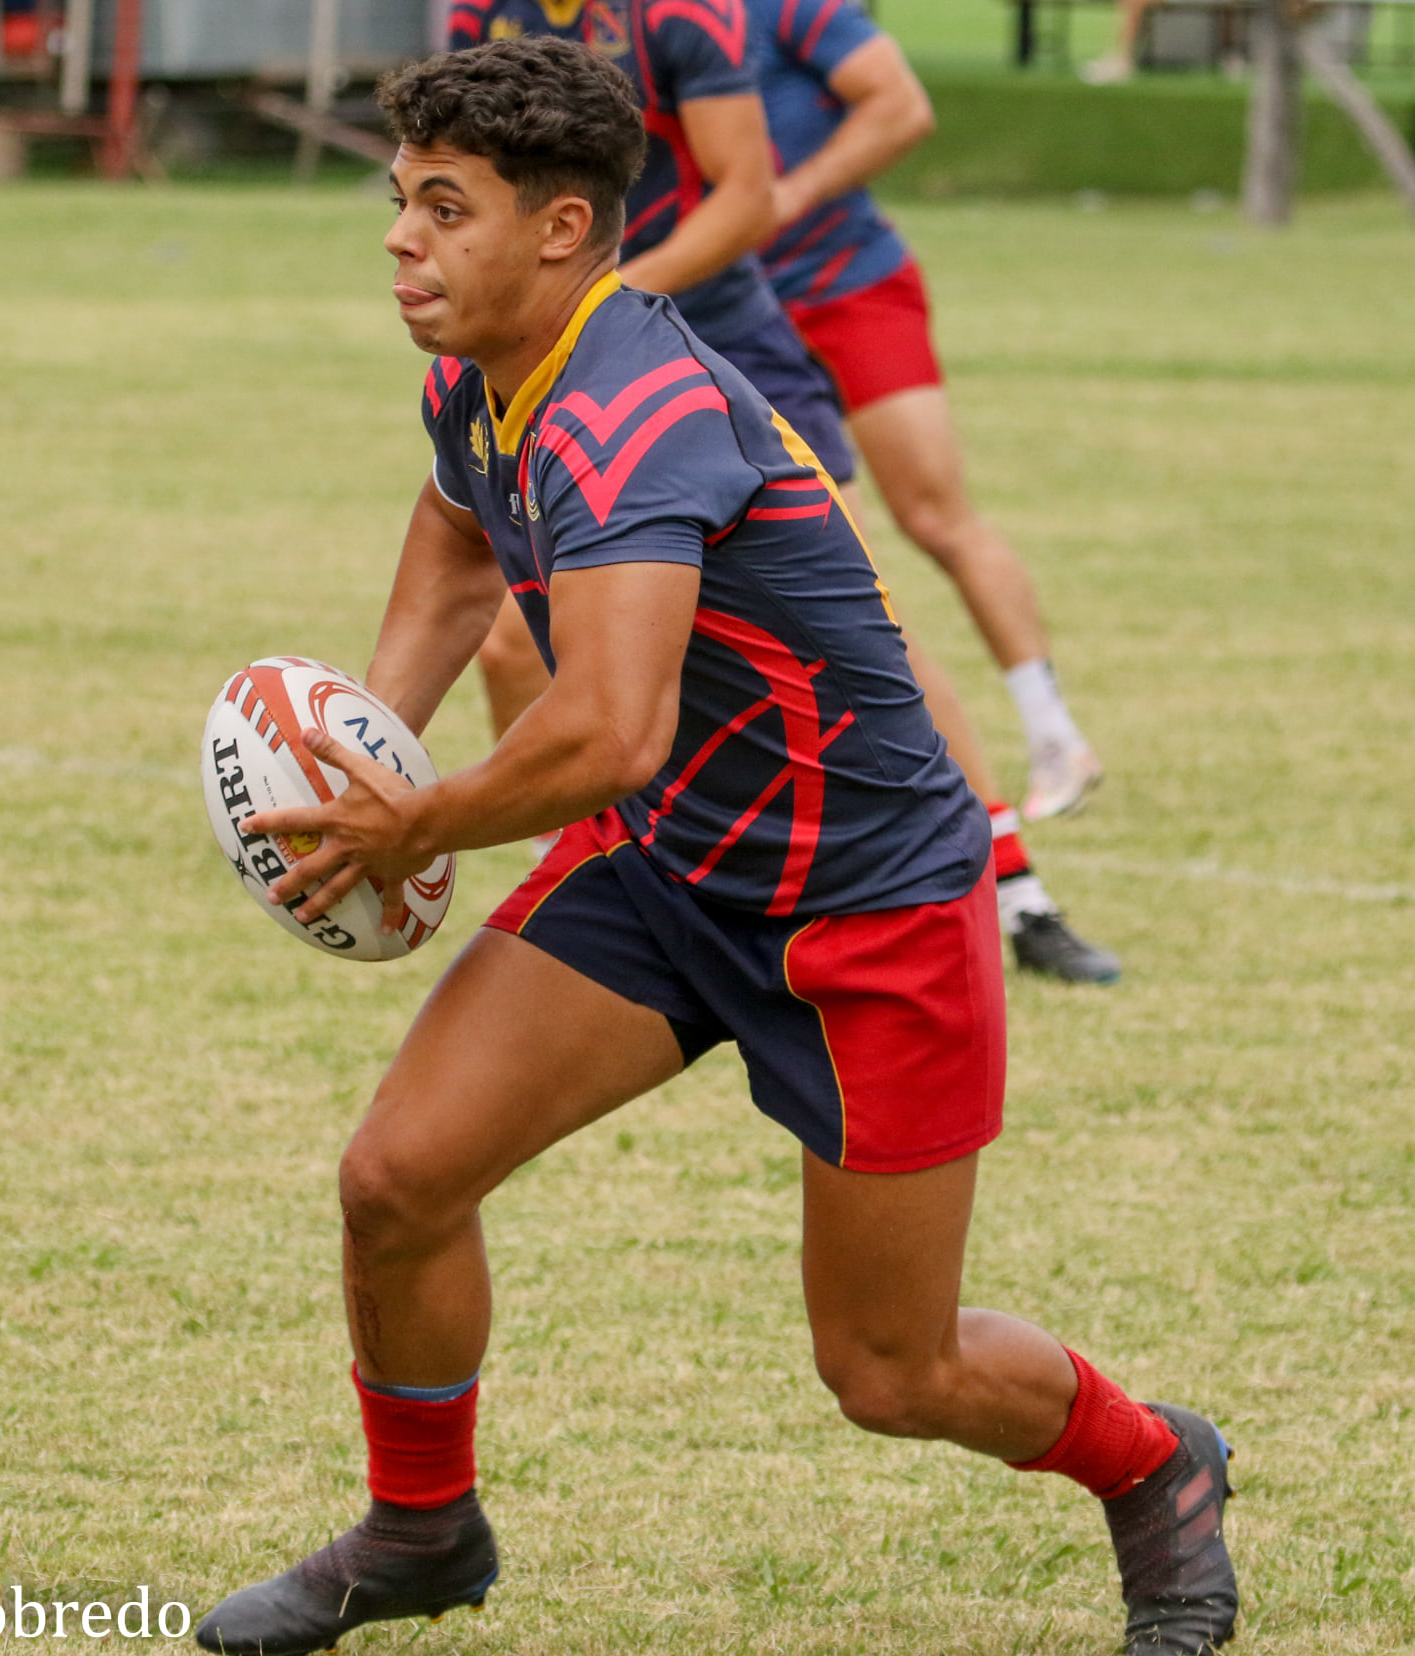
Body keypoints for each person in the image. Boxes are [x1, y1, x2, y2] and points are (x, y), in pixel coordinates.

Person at [193, 38, 1236, 1656]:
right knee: (396, 1180)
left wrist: (419, 815)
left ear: (561, 231)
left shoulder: (637, 412)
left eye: (442, 208)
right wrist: (366, 738)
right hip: (673, 872)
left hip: (868, 912)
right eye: (399, 199)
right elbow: (460, 521)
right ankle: (421, 1532)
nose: (398, 237)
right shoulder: (486, 367)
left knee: (891, 1370)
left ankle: (1157, 1465)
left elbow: (612, 730)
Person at [453, 0, 1120, 983]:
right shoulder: (484, 14)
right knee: (517, 641)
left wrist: (600, 303)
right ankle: (607, 863)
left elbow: (748, 195)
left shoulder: (684, 15)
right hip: (580, 358)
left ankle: (1013, 891)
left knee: (856, 623)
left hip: (721, 342)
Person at [752, 0, 1104, 823]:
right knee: (826, 557)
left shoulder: (785, 8)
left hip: (848, 284)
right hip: (741, 313)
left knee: (935, 515)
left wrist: (789, 194)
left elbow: (902, 106)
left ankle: (1053, 736)